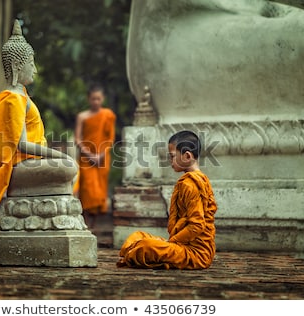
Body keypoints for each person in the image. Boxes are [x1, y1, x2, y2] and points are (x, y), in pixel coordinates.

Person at [0, 20, 75, 236]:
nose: (36, 70)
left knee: (69, 166)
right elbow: (21, 144)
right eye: (32, 63)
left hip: (28, 163)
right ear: (16, 67)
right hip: (20, 164)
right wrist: (58, 154)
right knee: (68, 167)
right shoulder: (13, 99)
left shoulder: (20, 96)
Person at [117, 130, 217, 269]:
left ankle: (133, 253)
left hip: (195, 253)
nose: (170, 161)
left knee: (145, 246)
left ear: (187, 156)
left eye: (172, 156)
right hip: (181, 245)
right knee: (137, 235)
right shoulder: (196, 179)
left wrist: (173, 242)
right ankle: (133, 251)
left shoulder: (191, 184)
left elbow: (197, 226)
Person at [74, 84, 116, 228]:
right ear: (88, 99)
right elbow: (77, 139)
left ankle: (94, 227)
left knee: (99, 193)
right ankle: (84, 224)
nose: (96, 102)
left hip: (102, 158)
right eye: (93, 99)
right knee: (86, 191)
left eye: (98, 99)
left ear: (103, 99)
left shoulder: (107, 115)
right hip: (86, 158)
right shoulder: (82, 116)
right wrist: (90, 155)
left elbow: (110, 139)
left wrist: (100, 155)